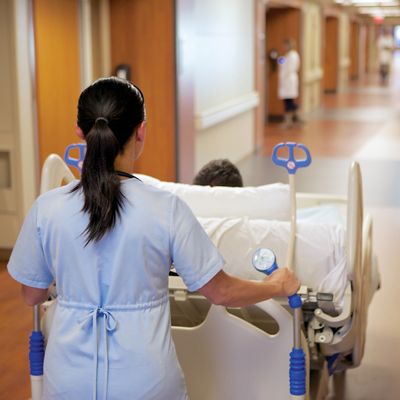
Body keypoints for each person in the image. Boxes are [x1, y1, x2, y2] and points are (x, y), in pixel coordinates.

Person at [7, 77, 299, 399]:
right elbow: (221, 292)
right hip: (144, 381)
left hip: (67, 379)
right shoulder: (166, 209)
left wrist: (70, 290)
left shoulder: (47, 208)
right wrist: (278, 286)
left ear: (80, 131)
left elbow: (32, 295)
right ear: (140, 131)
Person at [278, 38, 302, 129]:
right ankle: (295, 119)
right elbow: (281, 62)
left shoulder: (293, 55)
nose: (284, 47)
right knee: (288, 101)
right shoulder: (287, 55)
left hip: (289, 80)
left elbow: (290, 68)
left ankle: (292, 119)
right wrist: (279, 58)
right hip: (286, 80)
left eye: (285, 45)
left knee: (289, 101)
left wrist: (284, 75)